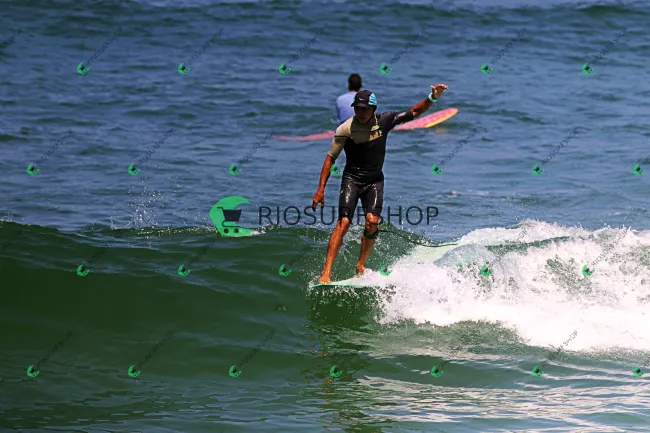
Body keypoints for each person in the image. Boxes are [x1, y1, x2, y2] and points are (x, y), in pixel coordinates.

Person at [312, 84, 449, 284]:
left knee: (372, 222)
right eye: (357, 108)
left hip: (374, 180)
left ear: (373, 109)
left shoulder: (385, 121)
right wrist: (320, 190)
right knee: (344, 223)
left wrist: (433, 97)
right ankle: (326, 273)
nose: (360, 112)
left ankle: (360, 265)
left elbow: (415, 112)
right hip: (352, 180)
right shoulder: (345, 129)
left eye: (364, 109)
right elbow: (330, 158)